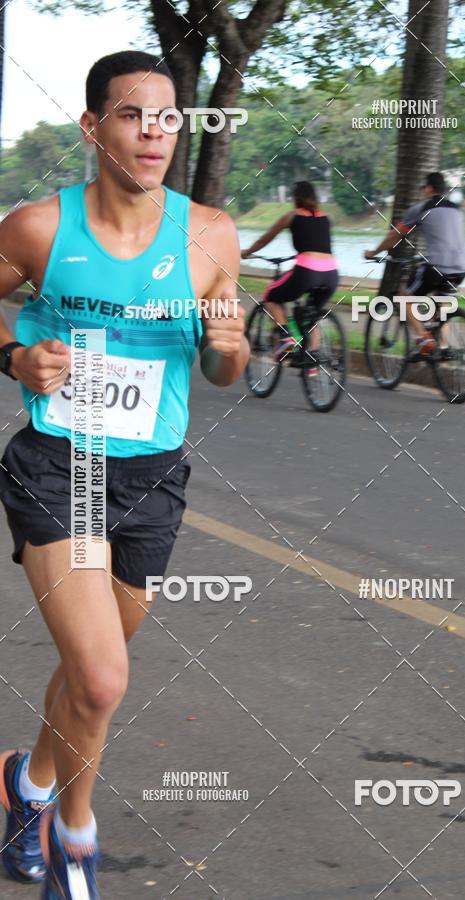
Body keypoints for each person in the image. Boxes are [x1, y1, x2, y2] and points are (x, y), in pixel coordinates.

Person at [0, 50, 248, 898]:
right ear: (93, 125)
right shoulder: (39, 229)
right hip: (57, 462)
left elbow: (224, 365)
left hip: (150, 475)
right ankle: (74, 839)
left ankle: (25, 784)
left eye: (169, 117)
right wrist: (15, 356)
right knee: (103, 676)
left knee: (86, 673)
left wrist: (230, 350)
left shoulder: (209, 234)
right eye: (134, 115)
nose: (155, 133)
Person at [364, 171, 465, 354]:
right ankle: (443, 347)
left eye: (423, 188)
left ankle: (423, 339)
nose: (423, 192)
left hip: (438, 265)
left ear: (429, 188)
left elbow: (395, 235)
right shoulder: (457, 210)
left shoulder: (421, 208)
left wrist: (373, 252)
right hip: (462, 267)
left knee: (403, 297)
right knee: (442, 304)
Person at [241, 181, 338, 372]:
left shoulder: (292, 216)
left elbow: (264, 239)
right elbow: (318, 243)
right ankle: (313, 357)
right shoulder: (327, 217)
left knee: (271, 295)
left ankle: (285, 337)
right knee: (311, 314)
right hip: (332, 275)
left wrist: (248, 252)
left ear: (296, 198)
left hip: (307, 272)